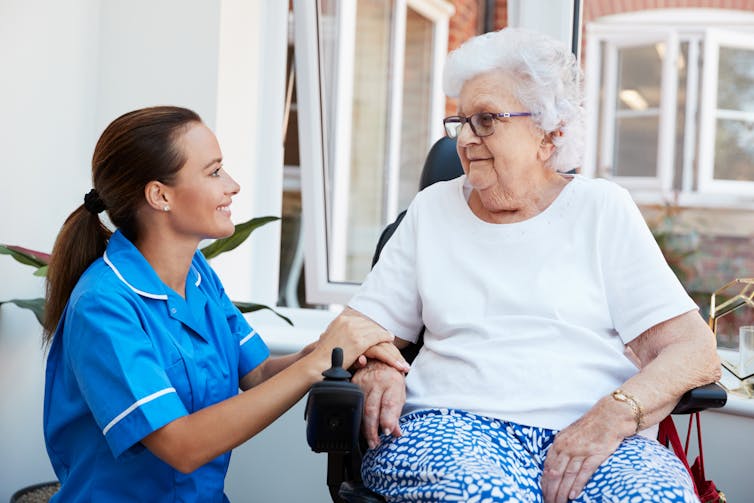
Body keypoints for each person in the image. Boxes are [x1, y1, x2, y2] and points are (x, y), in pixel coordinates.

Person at [345, 28, 721, 503]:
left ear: (550, 134)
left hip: (596, 432)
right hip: (452, 428)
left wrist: (615, 413)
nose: (465, 139)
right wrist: (375, 367)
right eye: (460, 121)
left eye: (485, 120)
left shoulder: (602, 209)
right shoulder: (432, 210)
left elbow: (694, 350)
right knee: (482, 494)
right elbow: (360, 330)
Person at [42, 106, 408, 502]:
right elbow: (182, 446)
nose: (232, 185)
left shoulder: (196, 274)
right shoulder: (103, 306)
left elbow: (260, 373)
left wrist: (335, 350)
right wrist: (316, 364)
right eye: (214, 172)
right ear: (159, 195)